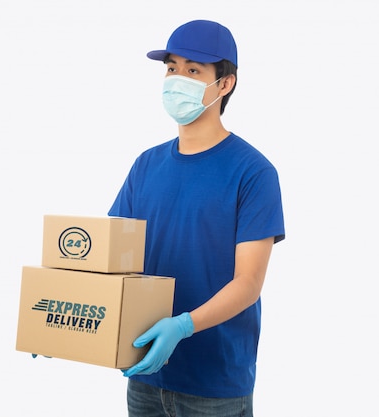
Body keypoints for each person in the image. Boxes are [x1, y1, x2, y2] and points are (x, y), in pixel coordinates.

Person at [108, 20, 285, 417]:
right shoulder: (146, 165)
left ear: (225, 84)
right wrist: (65, 323)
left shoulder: (252, 172)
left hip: (215, 386)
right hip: (143, 373)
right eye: (171, 68)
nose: (176, 80)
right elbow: (111, 263)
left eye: (193, 70)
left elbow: (249, 283)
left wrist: (182, 326)